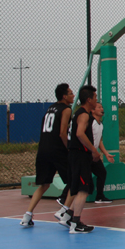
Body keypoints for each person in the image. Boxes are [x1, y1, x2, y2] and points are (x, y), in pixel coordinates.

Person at [20, 84, 74, 227]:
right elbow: (62, 133)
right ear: (64, 96)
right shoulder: (66, 109)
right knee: (75, 180)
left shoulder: (50, 108)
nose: (73, 95)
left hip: (43, 149)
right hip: (57, 150)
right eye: (70, 93)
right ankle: (64, 211)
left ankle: (27, 215)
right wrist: (69, 148)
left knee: (44, 185)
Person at [63, 85, 101, 233]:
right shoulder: (84, 115)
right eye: (95, 97)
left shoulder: (79, 113)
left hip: (75, 155)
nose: (97, 100)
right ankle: (75, 223)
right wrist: (93, 150)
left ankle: (68, 216)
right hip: (79, 155)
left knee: (83, 187)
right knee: (83, 189)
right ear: (89, 99)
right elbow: (79, 133)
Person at [91, 103, 115, 203]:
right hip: (86, 155)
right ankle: (64, 197)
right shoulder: (90, 122)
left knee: (102, 172)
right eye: (99, 107)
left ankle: (99, 197)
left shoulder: (100, 124)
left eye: (102, 107)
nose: (102, 109)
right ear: (92, 110)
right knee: (80, 177)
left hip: (94, 155)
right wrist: (92, 151)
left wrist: (106, 154)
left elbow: (99, 141)